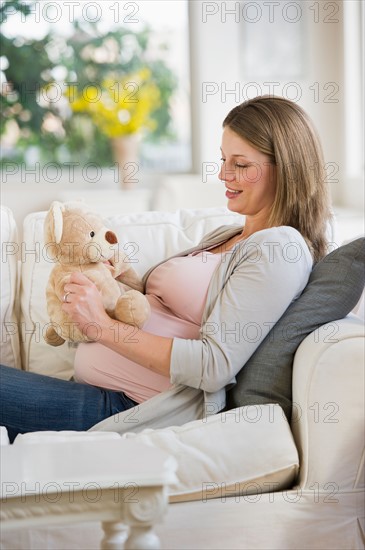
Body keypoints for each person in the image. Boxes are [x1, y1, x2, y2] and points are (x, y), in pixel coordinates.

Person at [0, 95, 330, 442]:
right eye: (223, 160)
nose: (223, 174)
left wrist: (100, 326)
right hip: (101, 389)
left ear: (288, 168)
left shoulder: (281, 249)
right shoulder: (231, 235)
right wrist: (118, 280)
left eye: (242, 165)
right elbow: (162, 311)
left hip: (131, 408)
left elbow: (213, 366)